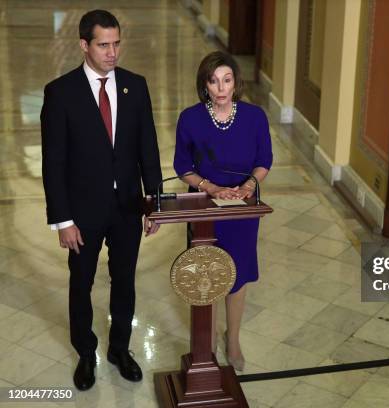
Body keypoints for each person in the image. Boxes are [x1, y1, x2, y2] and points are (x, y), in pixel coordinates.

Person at [41, 10, 162, 391]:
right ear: (84, 45)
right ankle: (85, 353)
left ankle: (120, 350)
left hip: (127, 206)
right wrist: (63, 221)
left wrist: (153, 202)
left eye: (116, 44)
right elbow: (54, 162)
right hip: (82, 212)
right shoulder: (60, 93)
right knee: (81, 283)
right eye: (103, 45)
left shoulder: (135, 86)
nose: (112, 52)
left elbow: (148, 149)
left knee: (124, 281)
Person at [173, 51, 273, 371]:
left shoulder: (255, 117)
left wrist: (248, 186)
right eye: (214, 81)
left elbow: (264, 160)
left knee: (238, 274)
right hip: (205, 208)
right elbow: (182, 166)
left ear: (235, 83)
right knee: (206, 274)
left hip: (241, 210)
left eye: (227, 80)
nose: (221, 88)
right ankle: (207, 338)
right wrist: (210, 188)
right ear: (205, 84)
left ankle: (233, 339)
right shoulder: (190, 118)